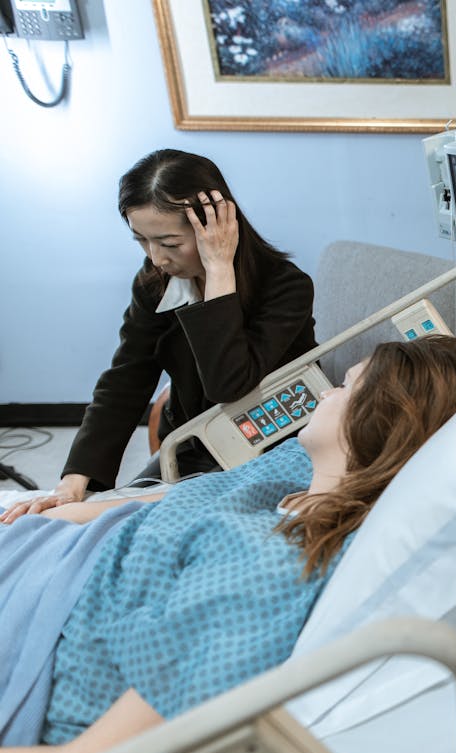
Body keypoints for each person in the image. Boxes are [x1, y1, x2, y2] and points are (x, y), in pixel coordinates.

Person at [0, 335, 456, 753]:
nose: (325, 394)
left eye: (344, 387)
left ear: (374, 422)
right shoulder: (300, 469)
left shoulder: (269, 574)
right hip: (51, 550)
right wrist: (64, 513)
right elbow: (177, 494)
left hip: (40, 618)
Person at [0, 149, 317, 524]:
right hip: (188, 442)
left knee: (115, 519)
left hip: (263, 447)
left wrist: (218, 272)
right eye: (141, 241)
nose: (155, 258)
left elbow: (230, 384)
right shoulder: (155, 284)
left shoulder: (286, 287)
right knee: (82, 515)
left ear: (215, 227)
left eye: (168, 244)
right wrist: (72, 482)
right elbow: (126, 378)